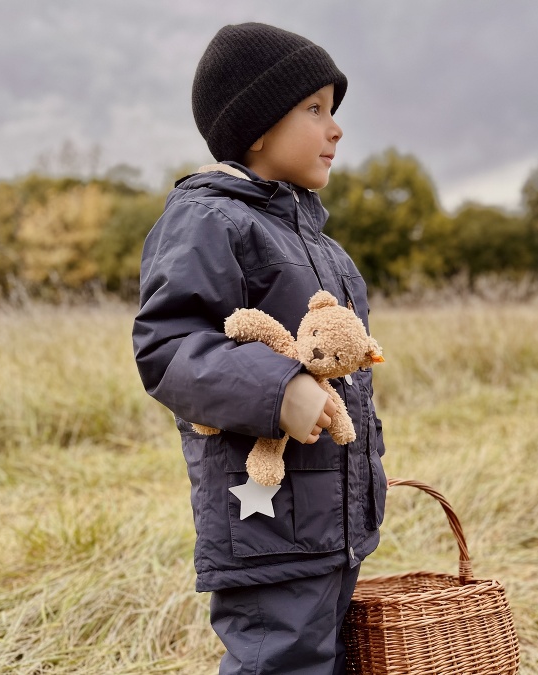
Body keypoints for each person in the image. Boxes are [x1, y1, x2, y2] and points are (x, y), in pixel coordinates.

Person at [132, 22, 387, 674]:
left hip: (329, 523)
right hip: (264, 521)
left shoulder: (317, 242)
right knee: (280, 661)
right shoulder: (209, 218)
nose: (335, 129)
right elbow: (167, 347)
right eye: (314, 109)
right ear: (257, 125)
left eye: (334, 111)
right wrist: (279, 388)